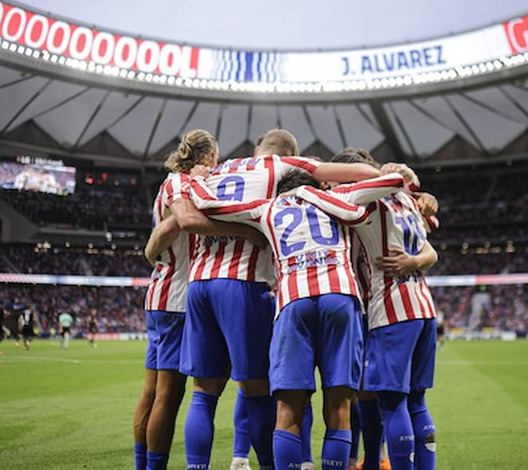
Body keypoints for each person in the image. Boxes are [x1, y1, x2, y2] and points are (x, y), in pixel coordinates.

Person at [179, 128, 382, 470]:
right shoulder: (281, 167)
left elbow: (189, 214)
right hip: (248, 282)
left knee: (203, 393)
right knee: (265, 391)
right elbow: (366, 175)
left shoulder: (218, 169)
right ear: (290, 155)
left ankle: (217, 462)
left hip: (199, 281)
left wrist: (192, 179)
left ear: (257, 147)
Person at [135, 129, 267, 470]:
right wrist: (245, 231)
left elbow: (163, 232)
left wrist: (150, 250)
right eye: (216, 157)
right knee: (170, 395)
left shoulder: (178, 184)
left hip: (164, 295)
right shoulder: (180, 184)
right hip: (177, 299)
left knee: (153, 394)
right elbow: (186, 221)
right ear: (208, 157)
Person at [327, 152, 440, 470]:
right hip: (424, 307)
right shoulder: (405, 201)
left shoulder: (363, 203)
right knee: (417, 401)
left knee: (391, 402)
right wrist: (417, 190)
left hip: (390, 310)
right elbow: (432, 227)